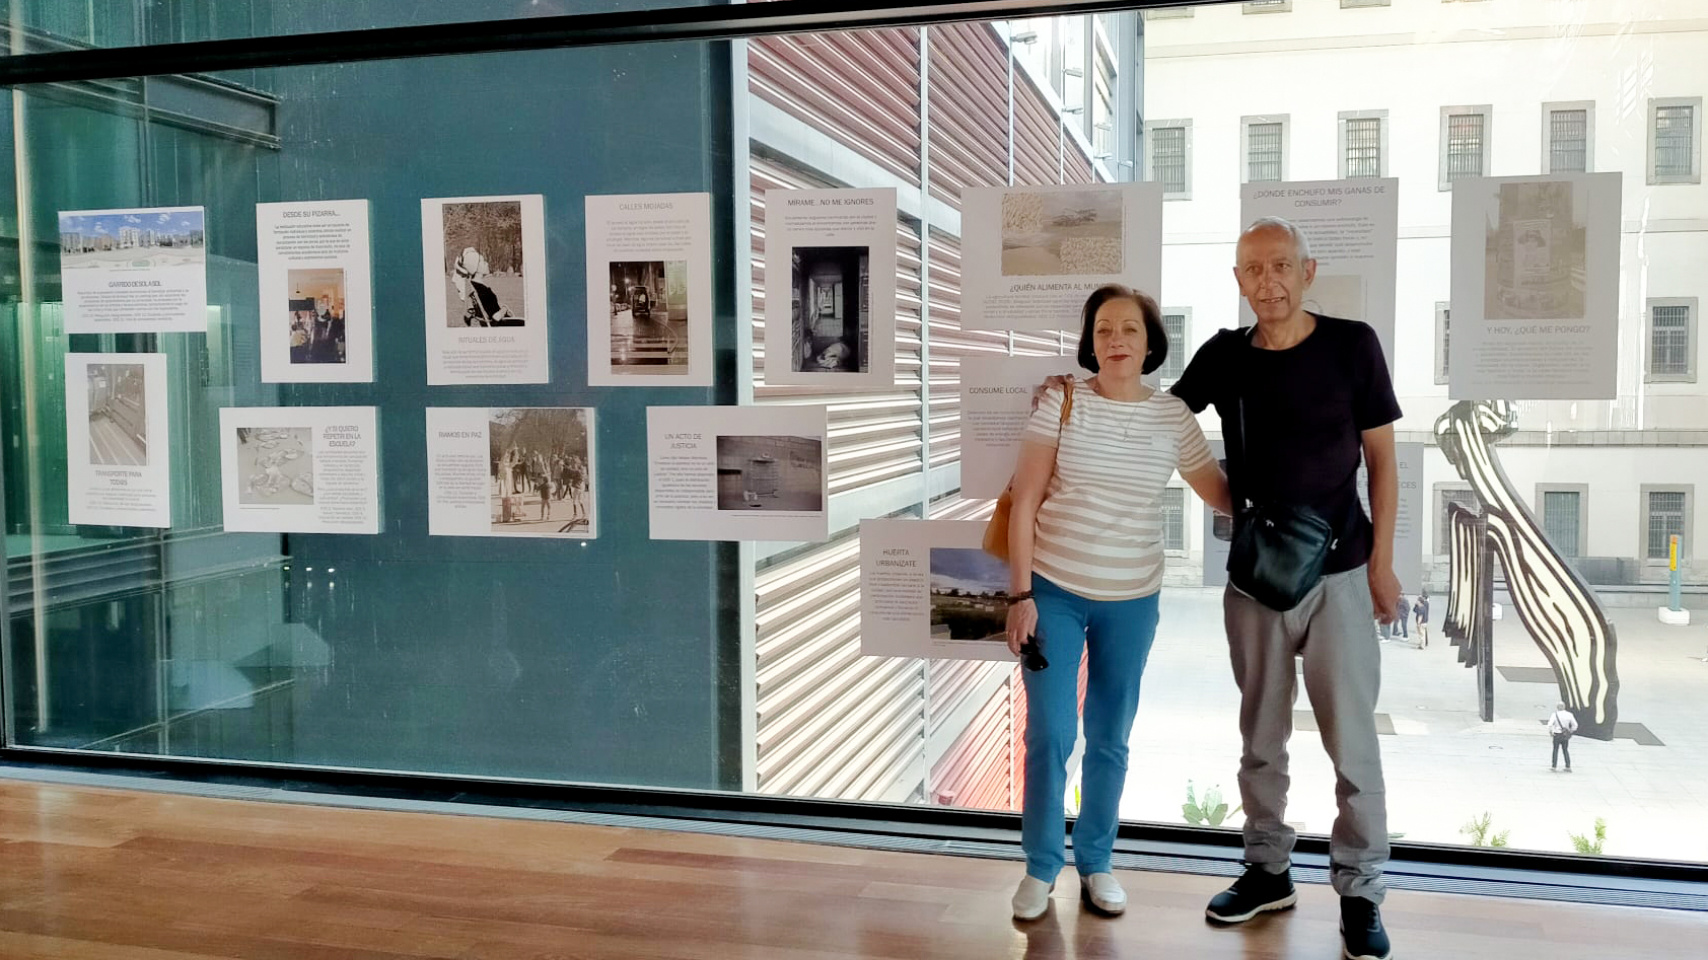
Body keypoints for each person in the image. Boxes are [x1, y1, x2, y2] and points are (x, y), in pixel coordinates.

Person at [1171, 217, 1403, 960]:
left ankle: (1361, 892)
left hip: (1342, 574)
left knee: (1353, 743)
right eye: (1253, 269)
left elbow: (1383, 462)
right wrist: (1228, 502)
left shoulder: (1352, 345)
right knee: (1261, 737)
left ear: (1308, 270)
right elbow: (1163, 420)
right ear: (1239, 280)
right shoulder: (1223, 355)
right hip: (1257, 580)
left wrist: (1382, 563)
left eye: (1280, 265)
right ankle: (1268, 870)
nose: (1267, 281)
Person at [1006, 285, 1232, 923]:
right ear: (1090, 341)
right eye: (1104, 329)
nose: (1116, 340)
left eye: (1130, 329)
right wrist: (1020, 595)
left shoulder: (1173, 418)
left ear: (1151, 342)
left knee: (1110, 735)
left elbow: (1220, 493)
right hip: (1054, 590)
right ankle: (1040, 866)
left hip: (1133, 599)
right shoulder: (1061, 401)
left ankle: (1096, 862)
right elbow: (1024, 502)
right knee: (1051, 733)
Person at [451, 246, 514, 325]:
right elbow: (495, 317)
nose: (487, 263)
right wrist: (504, 309)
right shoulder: (483, 291)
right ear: (476, 269)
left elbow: (482, 309)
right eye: (483, 262)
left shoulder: (473, 287)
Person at [1548, 702, 1578, 771]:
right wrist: (1570, 731)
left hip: (1557, 734)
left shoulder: (1554, 714)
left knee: (1555, 750)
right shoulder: (1569, 714)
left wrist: (1551, 731)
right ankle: (1568, 766)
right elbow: (1575, 725)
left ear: (1557, 707)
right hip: (1565, 735)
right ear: (1564, 707)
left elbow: (1550, 724)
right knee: (1565, 750)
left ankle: (1554, 766)